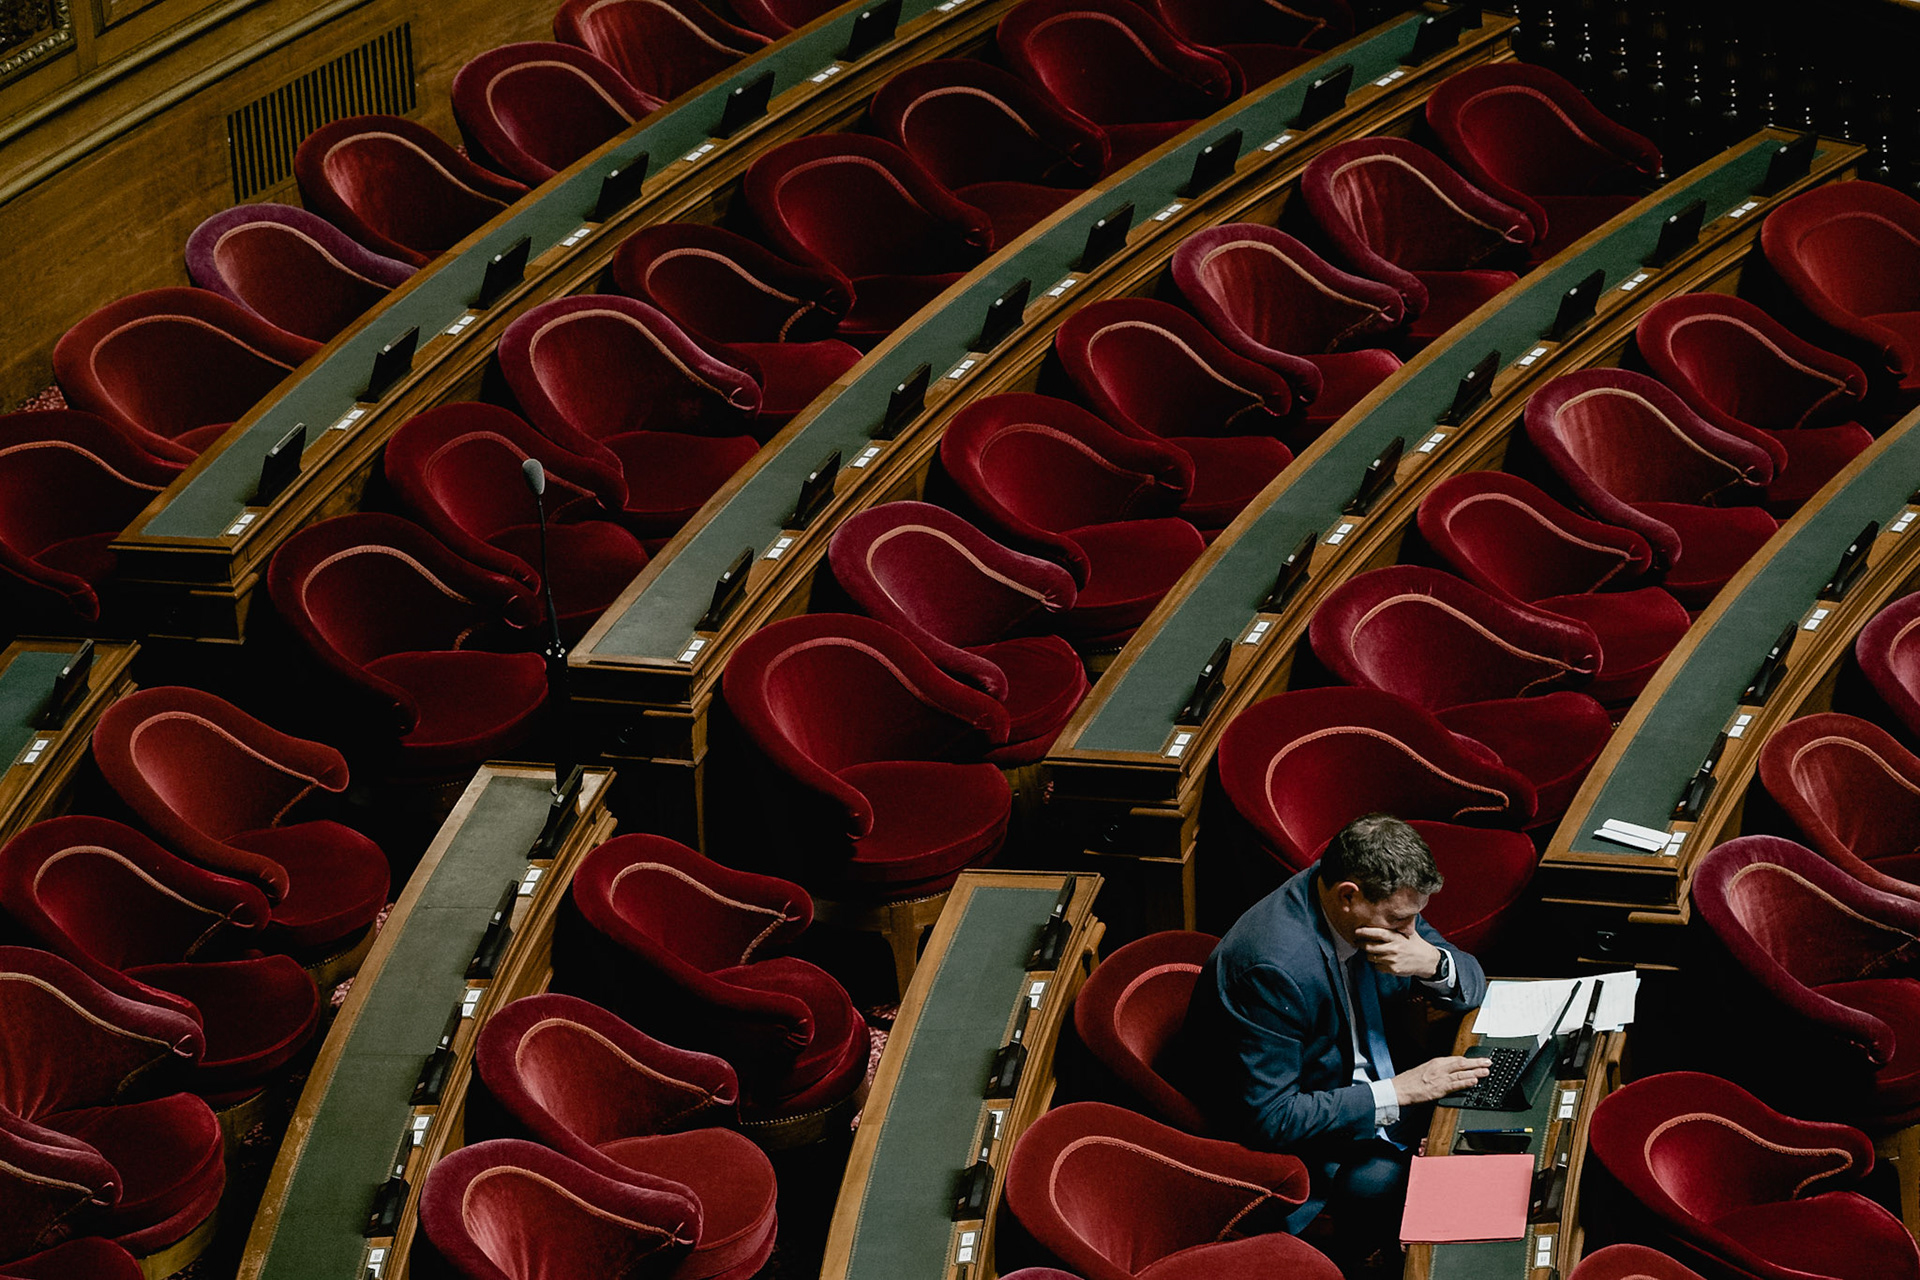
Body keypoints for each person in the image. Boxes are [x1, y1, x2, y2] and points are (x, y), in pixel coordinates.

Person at [1181, 813, 1489, 1267]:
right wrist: (1401, 1092)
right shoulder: (1275, 967)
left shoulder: (1371, 903)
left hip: (1384, 1088)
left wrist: (1433, 964)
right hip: (1317, 1143)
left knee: (1488, 1129)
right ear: (1349, 897)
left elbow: (1472, 981)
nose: (1412, 931)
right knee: (1426, 1196)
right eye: (1403, 921)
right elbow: (1271, 1117)